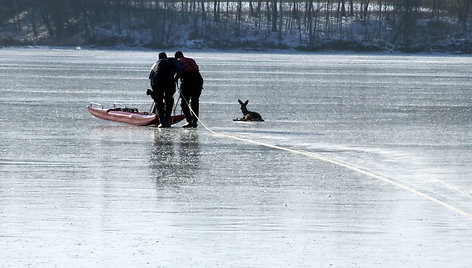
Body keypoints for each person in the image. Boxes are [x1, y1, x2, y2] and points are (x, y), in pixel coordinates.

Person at [148, 52, 182, 128]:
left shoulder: (156, 63)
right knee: (169, 100)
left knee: (159, 102)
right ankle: (167, 121)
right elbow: (180, 69)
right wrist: (176, 78)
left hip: (157, 82)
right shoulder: (172, 61)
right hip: (169, 81)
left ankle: (162, 122)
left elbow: (151, 77)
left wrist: (154, 91)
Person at [174, 51, 203, 128]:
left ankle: (189, 121)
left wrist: (175, 79)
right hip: (198, 79)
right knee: (195, 101)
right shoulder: (191, 59)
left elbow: (179, 71)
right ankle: (195, 121)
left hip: (188, 79)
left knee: (184, 102)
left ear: (176, 57)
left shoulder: (178, 61)